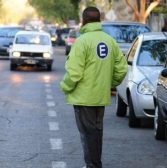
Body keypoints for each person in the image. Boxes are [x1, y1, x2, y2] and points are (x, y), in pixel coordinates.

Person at [60, 7, 128, 168]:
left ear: (83, 21)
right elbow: (122, 68)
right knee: (96, 133)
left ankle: (93, 165)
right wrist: (110, 84)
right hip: (100, 97)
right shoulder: (109, 40)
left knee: (88, 134)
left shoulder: (82, 41)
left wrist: (65, 86)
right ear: (99, 20)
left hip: (84, 98)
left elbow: (74, 74)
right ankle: (95, 164)